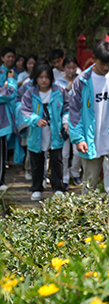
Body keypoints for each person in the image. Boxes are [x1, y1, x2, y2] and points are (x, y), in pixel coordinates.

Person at [69, 42, 109, 194]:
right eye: (102, 63)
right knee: (90, 181)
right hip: (90, 139)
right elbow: (75, 112)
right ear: (94, 59)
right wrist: (78, 138)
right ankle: (88, 216)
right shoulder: (82, 81)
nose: (105, 67)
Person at [20, 63, 70, 200]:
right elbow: (25, 111)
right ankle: (36, 188)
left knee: (56, 161)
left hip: (55, 132)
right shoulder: (30, 93)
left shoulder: (59, 92)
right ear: (35, 78)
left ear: (51, 78)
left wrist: (66, 122)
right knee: (37, 162)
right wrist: (36, 120)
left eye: (47, 77)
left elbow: (67, 108)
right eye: (40, 77)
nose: (44, 80)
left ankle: (58, 188)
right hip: (36, 133)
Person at [56, 55, 82, 187]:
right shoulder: (59, 82)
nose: (71, 70)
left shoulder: (82, 79)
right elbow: (59, 100)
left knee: (78, 152)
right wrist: (69, 86)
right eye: (68, 67)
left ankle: (75, 172)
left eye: (74, 67)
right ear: (63, 68)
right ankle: (65, 179)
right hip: (64, 120)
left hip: (79, 121)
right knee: (65, 153)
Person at [0, 47, 18, 192]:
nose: (10, 59)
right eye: (8, 56)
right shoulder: (7, 74)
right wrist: (10, 83)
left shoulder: (12, 73)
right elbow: (8, 94)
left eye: (13, 57)